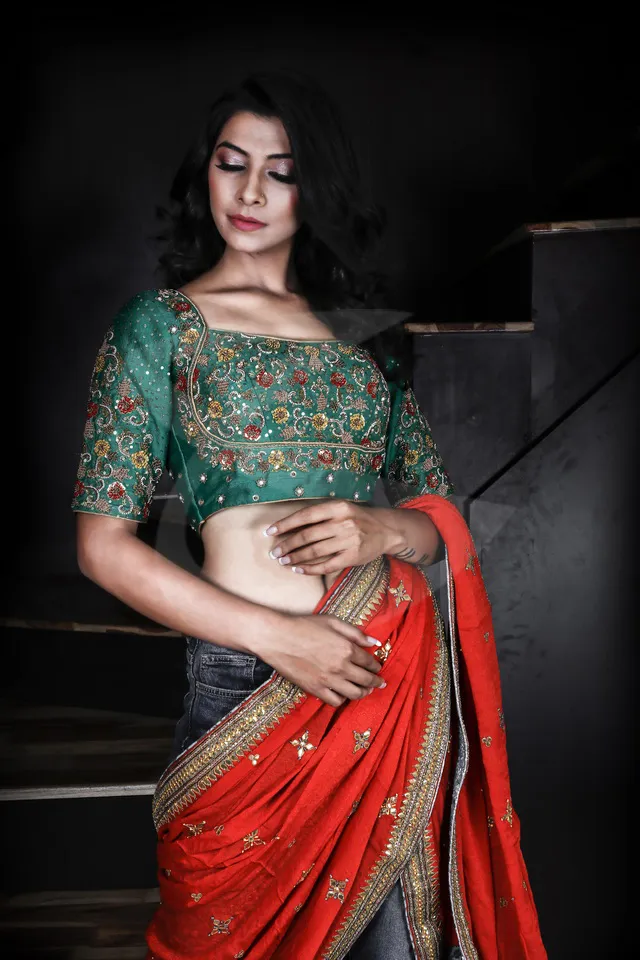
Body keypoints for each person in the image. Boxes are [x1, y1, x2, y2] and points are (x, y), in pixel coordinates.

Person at [71, 71, 547, 960]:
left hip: (378, 674)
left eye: (281, 172)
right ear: (205, 174)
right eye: (232, 164)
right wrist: (277, 638)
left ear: (315, 186)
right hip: (243, 683)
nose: (250, 192)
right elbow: (103, 547)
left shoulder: (366, 340)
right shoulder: (161, 327)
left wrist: (383, 531)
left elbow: (437, 510)